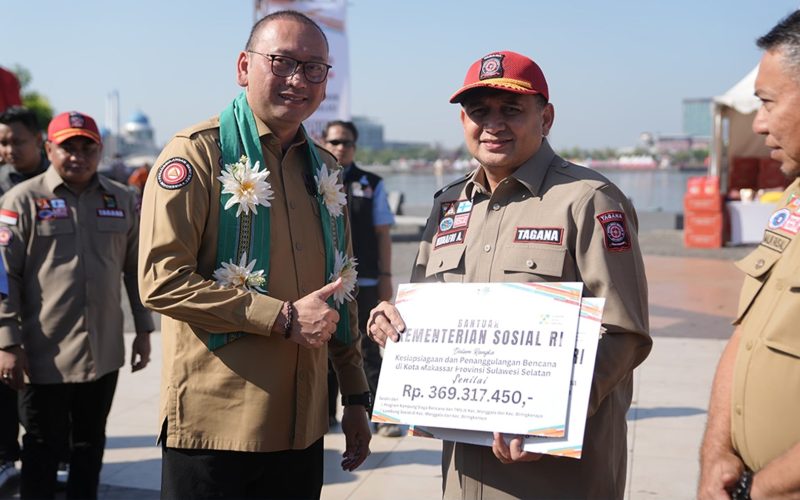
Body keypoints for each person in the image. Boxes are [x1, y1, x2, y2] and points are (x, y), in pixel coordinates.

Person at [367, 50, 651, 499]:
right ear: (463, 121)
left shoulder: (589, 200)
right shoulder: (448, 206)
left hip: (555, 470)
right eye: (479, 111)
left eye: (512, 110)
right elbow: (425, 308)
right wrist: (392, 324)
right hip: (466, 469)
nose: (493, 124)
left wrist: (549, 418)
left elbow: (625, 332)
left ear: (546, 117)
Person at [137, 10, 371, 499]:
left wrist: (354, 395)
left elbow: (340, 288)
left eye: (314, 68)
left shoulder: (325, 170)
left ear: (326, 82)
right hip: (216, 427)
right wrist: (281, 317)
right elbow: (160, 280)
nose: (297, 79)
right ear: (244, 67)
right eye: (282, 62)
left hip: (302, 427)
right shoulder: (198, 154)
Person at [0, 110, 154, 499]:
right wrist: (7, 342)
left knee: (89, 445)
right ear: (49, 148)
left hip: (102, 352)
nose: (78, 156)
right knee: (41, 447)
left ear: (100, 151)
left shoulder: (122, 198)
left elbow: (135, 270)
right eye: (68, 147)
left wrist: (143, 330)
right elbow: (4, 277)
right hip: (42, 354)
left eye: (88, 147)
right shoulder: (22, 200)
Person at [698, 11, 800, 500]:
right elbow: (748, 333)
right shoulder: (794, 201)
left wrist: (762, 488)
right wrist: (716, 451)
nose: (758, 125)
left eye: (767, 103)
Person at [323, 121, 400, 437]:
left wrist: (385, 276)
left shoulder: (371, 183)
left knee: (369, 347)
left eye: (347, 142)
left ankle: (380, 416)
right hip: (323, 283)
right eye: (335, 141)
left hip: (365, 278)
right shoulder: (310, 179)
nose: (341, 147)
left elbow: (383, 233)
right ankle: (324, 414)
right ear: (324, 143)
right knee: (324, 347)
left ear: (355, 146)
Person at [0, 106, 49, 493]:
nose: (9, 149)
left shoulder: (60, 178)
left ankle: (52, 460)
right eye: (2, 142)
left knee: (46, 399)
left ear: (39, 140)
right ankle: (5, 457)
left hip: (48, 310)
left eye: (17, 141)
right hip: (4, 303)